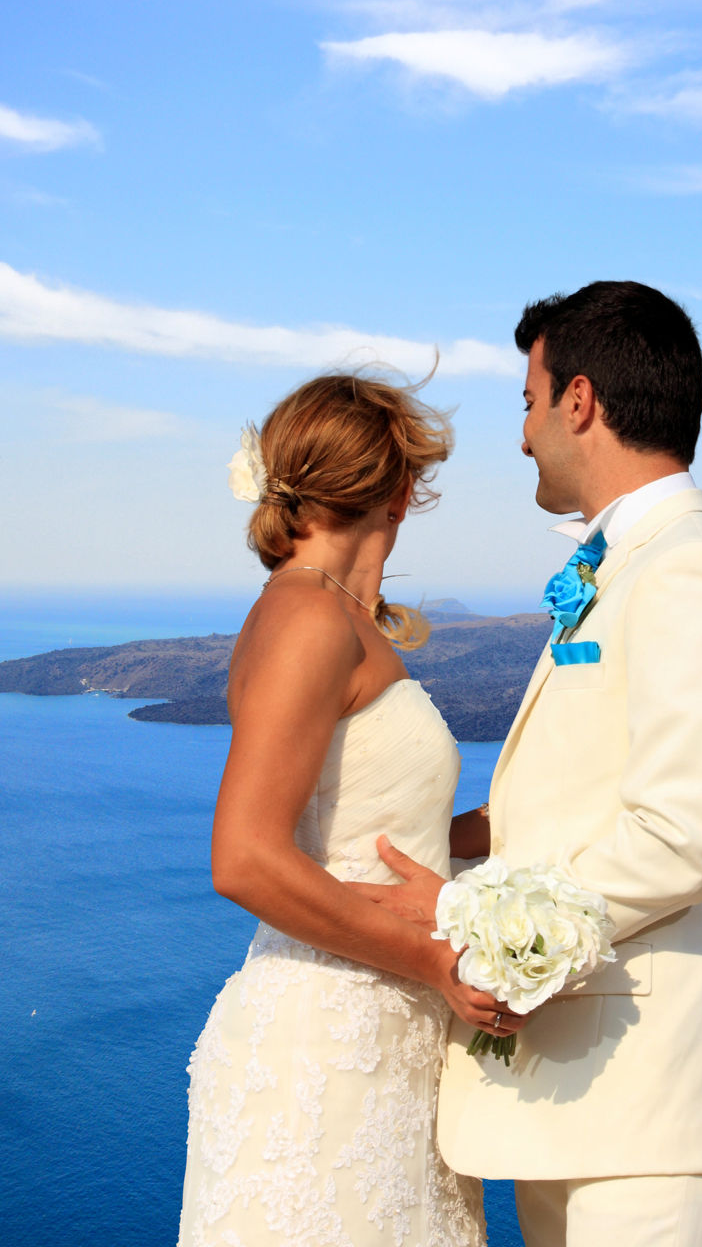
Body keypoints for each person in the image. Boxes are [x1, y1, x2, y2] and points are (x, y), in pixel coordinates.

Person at [357, 281, 702, 1247]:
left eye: (527, 404)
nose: (522, 436)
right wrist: (433, 841)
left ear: (579, 401)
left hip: (653, 1097)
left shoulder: (695, 571)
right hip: (575, 1092)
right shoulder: (625, 568)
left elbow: (677, 841)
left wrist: (451, 913)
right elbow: (575, 798)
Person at [177, 372, 509, 1247]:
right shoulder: (308, 620)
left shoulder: (330, 614)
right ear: (403, 490)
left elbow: (381, 841)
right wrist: (433, 959)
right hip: (323, 1052)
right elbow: (243, 856)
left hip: (381, 1049)